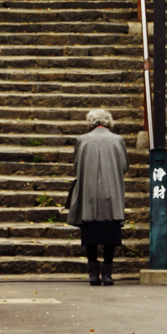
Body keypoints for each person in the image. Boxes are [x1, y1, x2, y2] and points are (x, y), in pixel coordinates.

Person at [66, 108, 129, 286]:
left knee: (90, 234)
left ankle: (93, 274)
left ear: (90, 123)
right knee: (111, 234)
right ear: (109, 122)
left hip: (89, 195)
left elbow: (76, 165)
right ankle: (107, 274)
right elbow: (124, 166)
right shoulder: (118, 141)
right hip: (112, 193)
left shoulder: (82, 140)